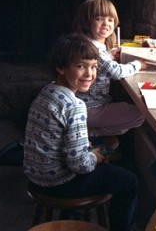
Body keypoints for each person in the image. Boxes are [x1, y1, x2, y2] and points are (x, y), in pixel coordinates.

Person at [23, 33, 138, 231]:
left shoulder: (46, 91)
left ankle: (71, 215)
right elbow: (80, 165)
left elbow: (57, 139)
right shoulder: (74, 106)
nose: (89, 74)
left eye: (93, 67)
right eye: (81, 66)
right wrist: (95, 157)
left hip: (35, 176)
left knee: (104, 154)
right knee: (129, 181)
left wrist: (85, 149)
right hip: (59, 183)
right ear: (61, 68)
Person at [72, 0, 146, 143]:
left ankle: (89, 132)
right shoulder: (94, 49)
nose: (106, 23)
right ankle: (91, 134)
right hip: (90, 109)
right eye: (99, 19)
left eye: (110, 20)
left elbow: (101, 63)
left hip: (86, 106)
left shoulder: (86, 43)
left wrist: (110, 55)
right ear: (87, 22)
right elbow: (116, 72)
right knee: (139, 114)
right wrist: (139, 64)